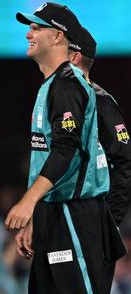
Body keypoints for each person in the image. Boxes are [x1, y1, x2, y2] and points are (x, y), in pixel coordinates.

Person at [7, 3, 126, 294]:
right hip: (57, 215)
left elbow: (66, 149)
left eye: (36, 28)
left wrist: (28, 203)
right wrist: (36, 216)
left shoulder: (70, 85)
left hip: (77, 217)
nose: (29, 33)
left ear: (58, 36)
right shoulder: (52, 86)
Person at [67, 26, 131, 226]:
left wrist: (109, 224)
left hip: (92, 224)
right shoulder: (62, 99)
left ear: (74, 58)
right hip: (66, 221)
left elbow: (125, 162)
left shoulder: (99, 101)